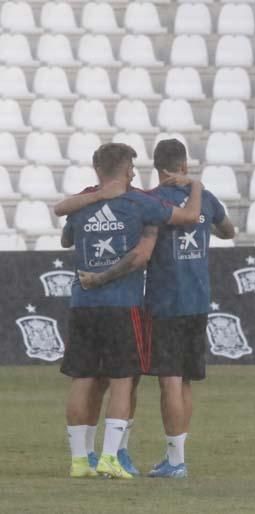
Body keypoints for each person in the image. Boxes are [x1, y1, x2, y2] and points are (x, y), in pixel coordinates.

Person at [76, 139, 235, 478]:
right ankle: (176, 460)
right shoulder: (204, 198)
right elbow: (228, 230)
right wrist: (198, 192)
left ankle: (121, 453)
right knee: (184, 381)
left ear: (156, 167)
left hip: (161, 303)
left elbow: (137, 246)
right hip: (197, 301)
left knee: (135, 379)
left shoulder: (149, 201)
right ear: (185, 166)